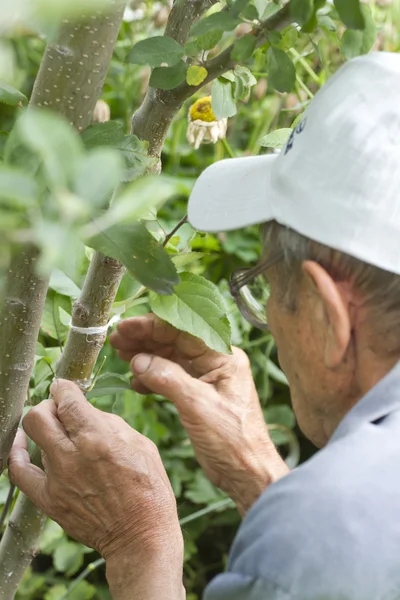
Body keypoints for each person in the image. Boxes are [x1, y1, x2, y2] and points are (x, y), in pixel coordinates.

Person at [8, 51, 400, 600]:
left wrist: (139, 542)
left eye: (264, 285)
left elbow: (329, 549)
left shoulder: (328, 537)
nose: (268, 326)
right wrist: (254, 471)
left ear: (328, 313)